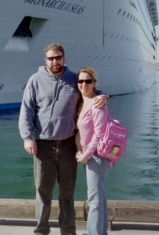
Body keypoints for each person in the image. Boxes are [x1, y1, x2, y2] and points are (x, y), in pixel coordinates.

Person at [19, 43, 107, 235]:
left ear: (64, 58)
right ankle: (41, 231)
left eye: (58, 57)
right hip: (43, 145)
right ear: (45, 60)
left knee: (67, 193)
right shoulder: (35, 80)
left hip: (68, 145)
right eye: (51, 58)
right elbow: (26, 110)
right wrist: (28, 137)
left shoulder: (73, 79)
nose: (55, 61)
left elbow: (90, 90)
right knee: (43, 191)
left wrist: (104, 96)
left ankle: (68, 231)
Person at [75, 67, 110, 235]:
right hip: (90, 155)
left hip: (96, 156)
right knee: (99, 196)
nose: (84, 84)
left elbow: (100, 134)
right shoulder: (84, 103)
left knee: (94, 199)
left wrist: (86, 155)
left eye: (88, 81)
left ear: (94, 83)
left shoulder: (96, 104)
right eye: (80, 81)